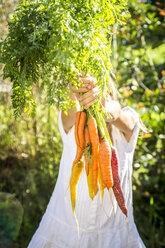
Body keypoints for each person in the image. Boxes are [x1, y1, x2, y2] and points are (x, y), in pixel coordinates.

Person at [27, 74, 146, 248]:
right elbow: (68, 115)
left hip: (114, 234)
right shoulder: (74, 125)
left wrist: (106, 109)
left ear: (108, 92)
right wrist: (74, 90)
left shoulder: (124, 129)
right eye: (83, 97)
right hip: (65, 231)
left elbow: (125, 120)